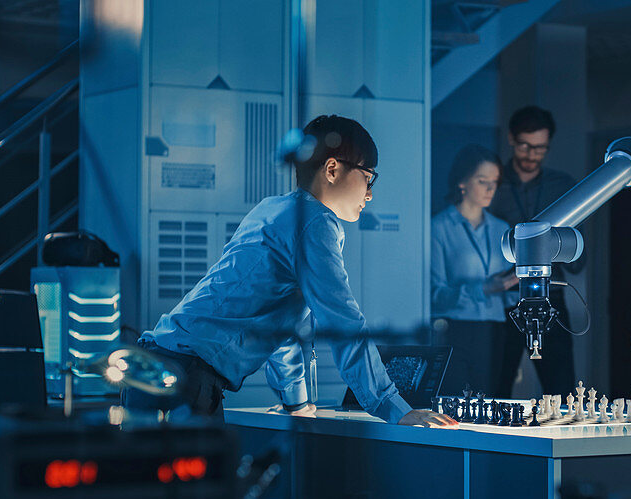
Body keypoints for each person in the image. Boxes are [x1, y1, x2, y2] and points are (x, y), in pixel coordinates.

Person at [128, 115, 456, 427]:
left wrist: (296, 403)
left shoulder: (272, 208)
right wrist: (394, 408)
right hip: (186, 380)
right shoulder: (314, 223)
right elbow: (342, 321)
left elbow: (281, 324)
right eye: (368, 178)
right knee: (194, 486)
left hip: (158, 364)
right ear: (332, 169)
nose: (369, 194)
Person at [489, 105, 581, 398]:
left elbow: (578, 248)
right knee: (496, 386)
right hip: (500, 301)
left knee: (562, 388)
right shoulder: (491, 183)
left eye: (540, 149)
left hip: (551, 296)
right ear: (512, 139)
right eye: (526, 146)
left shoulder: (563, 186)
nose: (531, 155)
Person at [431, 145, 519, 396]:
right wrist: (484, 288)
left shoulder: (501, 229)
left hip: (495, 331)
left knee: (493, 400)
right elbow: (433, 295)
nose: (491, 189)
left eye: (495, 182)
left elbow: (508, 293)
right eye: (483, 181)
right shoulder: (439, 228)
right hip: (456, 330)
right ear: (462, 182)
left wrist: (514, 285)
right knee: (458, 402)